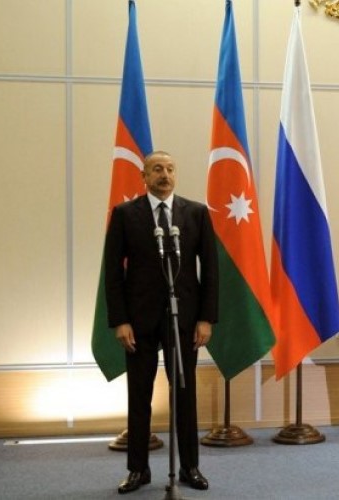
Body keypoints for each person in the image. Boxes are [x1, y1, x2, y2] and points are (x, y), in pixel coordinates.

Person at [104, 151, 218, 494]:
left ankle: (189, 466)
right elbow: (112, 272)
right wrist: (120, 321)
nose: (164, 175)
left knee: (184, 393)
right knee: (139, 395)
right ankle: (138, 469)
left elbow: (211, 269)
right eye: (157, 169)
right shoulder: (125, 214)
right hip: (138, 322)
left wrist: (206, 318)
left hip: (183, 319)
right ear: (144, 176)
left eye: (170, 169)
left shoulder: (195, 213)